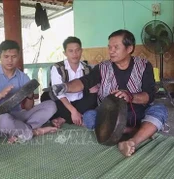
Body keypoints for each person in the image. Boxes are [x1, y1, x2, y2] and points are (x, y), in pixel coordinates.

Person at [50, 29, 168, 157]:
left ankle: (131, 141)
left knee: (160, 110)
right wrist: (65, 87)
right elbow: (84, 82)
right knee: (90, 116)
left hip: (138, 113)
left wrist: (130, 96)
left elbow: (149, 96)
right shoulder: (102, 67)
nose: (111, 51)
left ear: (129, 48)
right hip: (109, 116)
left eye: (116, 47)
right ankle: (139, 131)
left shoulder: (144, 65)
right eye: (109, 47)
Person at [0, 40, 57, 143]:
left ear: (19, 57)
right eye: (6, 57)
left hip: (18, 115)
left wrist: (30, 96)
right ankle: (33, 132)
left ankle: (20, 130)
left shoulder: (23, 77)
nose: (10, 60)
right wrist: (0, 95)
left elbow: (29, 107)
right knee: (5, 120)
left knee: (51, 105)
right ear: (0, 57)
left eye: (14, 57)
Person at [41, 36, 97, 128]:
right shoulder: (57, 68)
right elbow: (58, 93)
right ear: (65, 53)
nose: (75, 54)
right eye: (70, 51)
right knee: (46, 98)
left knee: (93, 98)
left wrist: (91, 91)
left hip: (79, 102)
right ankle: (76, 117)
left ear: (81, 51)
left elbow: (92, 89)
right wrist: (73, 111)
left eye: (77, 50)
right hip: (61, 102)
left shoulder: (87, 69)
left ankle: (63, 119)